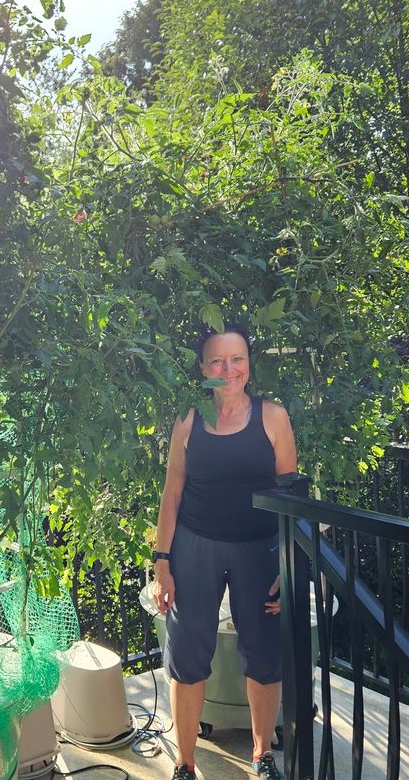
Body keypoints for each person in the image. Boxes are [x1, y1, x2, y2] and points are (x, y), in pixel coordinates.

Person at [151, 323, 297, 780]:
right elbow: (172, 493)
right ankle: (185, 763)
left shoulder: (273, 418)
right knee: (189, 653)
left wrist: (287, 568)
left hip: (260, 550)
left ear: (248, 364)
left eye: (237, 359)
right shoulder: (189, 419)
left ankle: (262, 754)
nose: (228, 369)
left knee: (264, 654)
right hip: (196, 546)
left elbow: (292, 499)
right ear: (203, 368)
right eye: (217, 360)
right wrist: (162, 563)